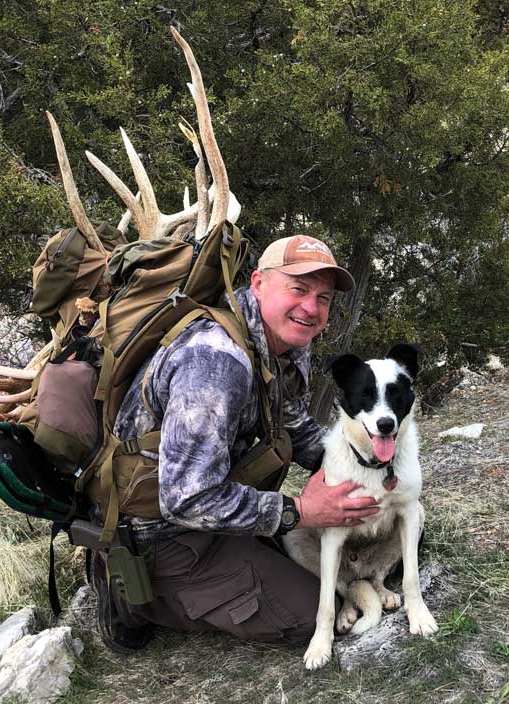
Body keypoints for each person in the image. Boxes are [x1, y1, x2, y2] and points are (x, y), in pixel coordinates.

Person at [93, 234, 379, 652]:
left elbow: (294, 422)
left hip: (221, 502)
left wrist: (364, 469)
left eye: (324, 297)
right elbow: (186, 499)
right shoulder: (214, 362)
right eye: (298, 289)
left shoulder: (283, 339)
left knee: (340, 565)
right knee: (308, 616)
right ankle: (128, 594)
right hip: (161, 533)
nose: (312, 308)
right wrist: (300, 511)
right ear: (259, 283)